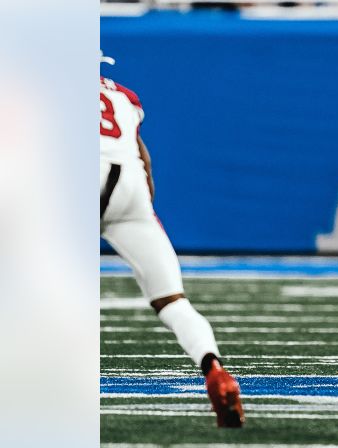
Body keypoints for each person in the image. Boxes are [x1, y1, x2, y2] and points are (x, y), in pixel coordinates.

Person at [100, 57, 243, 427]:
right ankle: (214, 368)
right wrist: (141, 209)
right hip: (129, 188)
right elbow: (144, 160)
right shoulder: (124, 96)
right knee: (173, 301)